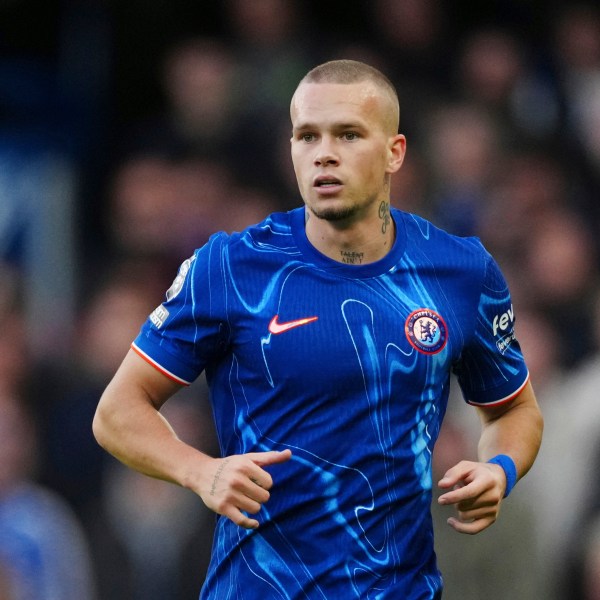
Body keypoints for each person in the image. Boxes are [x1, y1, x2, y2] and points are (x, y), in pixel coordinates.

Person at [93, 59, 543, 599]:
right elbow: (116, 413)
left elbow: (514, 409)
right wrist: (199, 471)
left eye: (348, 134)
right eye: (307, 136)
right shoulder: (232, 268)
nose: (323, 153)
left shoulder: (461, 272)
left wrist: (500, 468)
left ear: (394, 153)